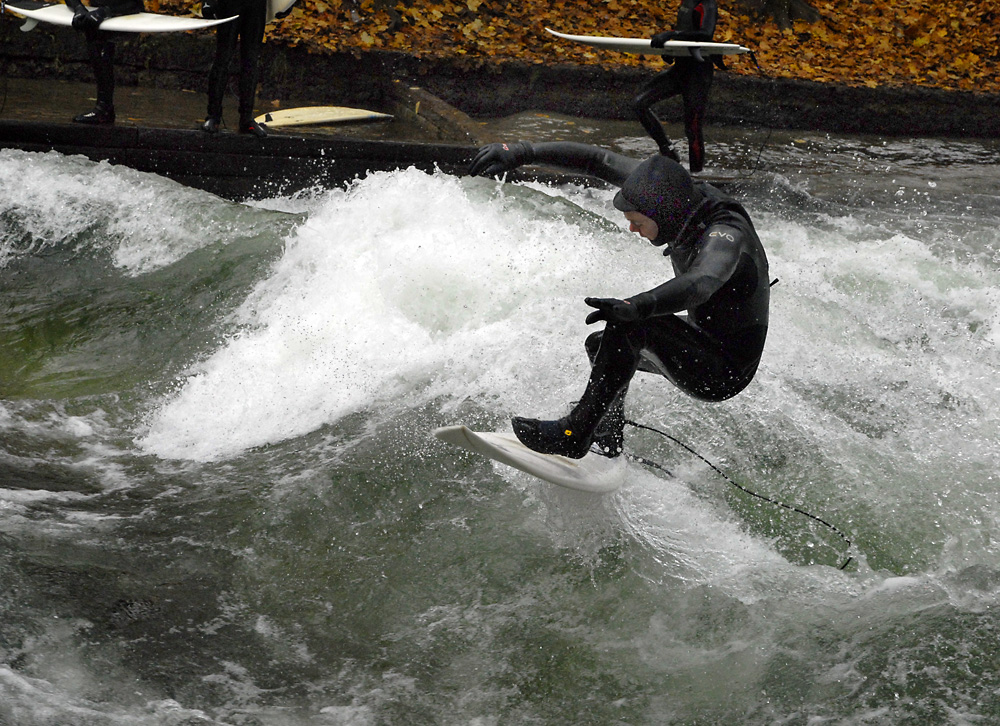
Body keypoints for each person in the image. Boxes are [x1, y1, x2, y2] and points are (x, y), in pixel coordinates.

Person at [468, 140, 769, 459]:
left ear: (663, 213)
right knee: (603, 345)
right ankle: (607, 436)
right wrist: (522, 153)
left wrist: (638, 305)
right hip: (702, 336)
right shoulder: (671, 190)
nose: (632, 228)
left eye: (638, 222)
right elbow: (598, 158)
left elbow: (702, 282)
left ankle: (573, 435)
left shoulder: (725, 233)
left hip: (723, 370)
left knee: (630, 327)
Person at [634, 0, 720, 173]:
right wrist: (670, 51)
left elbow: (705, 34)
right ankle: (668, 151)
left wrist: (671, 34)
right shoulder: (686, 2)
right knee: (639, 103)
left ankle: (696, 176)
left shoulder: (708, 4)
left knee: (693, 128)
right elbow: (686, 34)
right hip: (679, 70)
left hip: (698, 74)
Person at [65, 0, 144, 125]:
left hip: (125, 11)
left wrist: (105, 11)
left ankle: (104, 108)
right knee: (94, 35)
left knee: (100, 39)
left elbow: (134, 4)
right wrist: (78, 8)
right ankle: (103, 108)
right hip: (99, 11)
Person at [200, 0, 268, 137]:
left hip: (256, 5)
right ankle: (213, 115)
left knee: (251, 60)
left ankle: (247, 118)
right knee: (223, 57)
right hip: (229, 4)